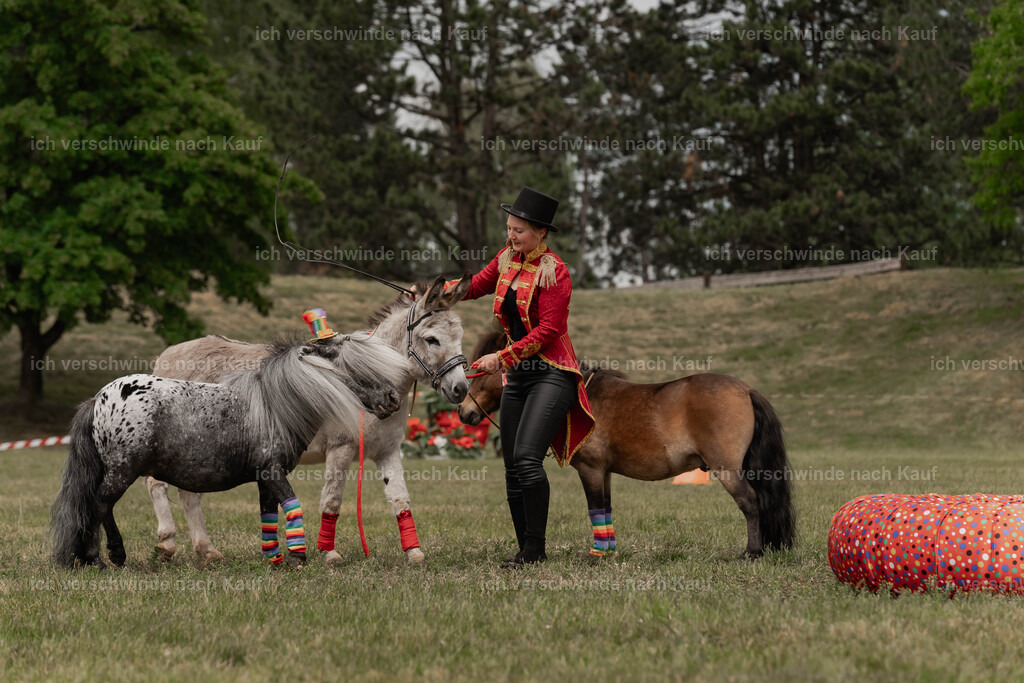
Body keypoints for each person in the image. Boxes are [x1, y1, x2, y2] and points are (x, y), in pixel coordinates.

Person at [447, 187, 596, 568]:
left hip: (552, 373)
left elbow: (548, 331)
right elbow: (475, 286)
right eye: (510, 228)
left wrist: (503, 356)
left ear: (541, 233)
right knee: (512, 464)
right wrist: (434, 293)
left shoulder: (556, 271)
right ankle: (525, 549)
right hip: (518, 375)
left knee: (528, 461)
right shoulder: (505, 260)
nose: (512, 236)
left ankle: (535, 550)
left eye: (520, 231)